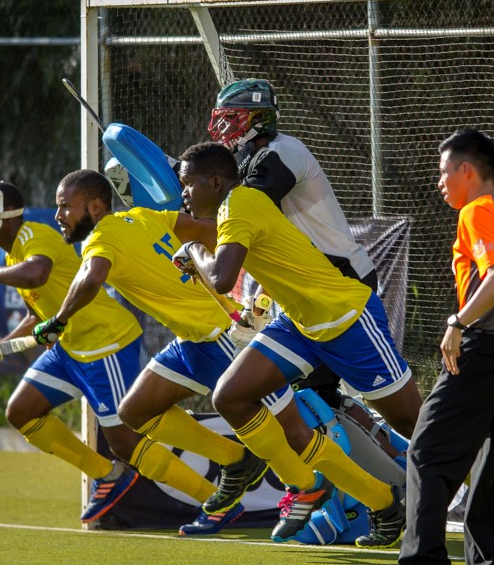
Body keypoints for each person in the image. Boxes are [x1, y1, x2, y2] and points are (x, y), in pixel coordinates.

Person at [173, 142, 423, 548]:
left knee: (415, 424)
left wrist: (193, 251)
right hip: (298, 323)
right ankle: (369, 499)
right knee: (232, 397)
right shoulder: (234, 207)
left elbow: (219, 277)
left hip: (345, 318)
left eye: (187, 184)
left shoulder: (240, 204)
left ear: (216, 182)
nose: (183, 193)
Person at [32, 169, 292, 535]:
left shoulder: (101, 239)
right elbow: (208, 231)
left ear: (94, 206)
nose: (59, 215)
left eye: (65, 207)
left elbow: (92, 277)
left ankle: (339, 496)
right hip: (190, 338)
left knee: (293, 424)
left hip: (220, 333)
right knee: (135, 411)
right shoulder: (142, 216)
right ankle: (237, 459)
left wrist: (58, 321)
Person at [399, 129, 494, 565]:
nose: (440, 182)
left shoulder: (477, 211)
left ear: (466, 169)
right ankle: (488, 559)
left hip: (484, 346)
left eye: (444, 172)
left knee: (427, 452)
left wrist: (457, 322)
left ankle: (422, 557)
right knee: (492, 462)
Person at [0, 181, 144, 524]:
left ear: (2, 214)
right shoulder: (12, 253)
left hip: (101, 340)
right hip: (68, 346)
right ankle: (107, 475)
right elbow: (37, 315)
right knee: (21, 411)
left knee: (133, 437)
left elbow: (36, 274)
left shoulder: (34, 238)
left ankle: (216, 497)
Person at [208, 78, 377, 407]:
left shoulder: (282, 152)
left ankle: (409, 453)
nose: (223, 130)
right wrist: (257, 303)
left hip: (341, 283)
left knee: (324, 398)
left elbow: (245, 213)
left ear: (258, 120)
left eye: (232, 120)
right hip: (311, 289)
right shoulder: (255, 163)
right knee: (313, 398)